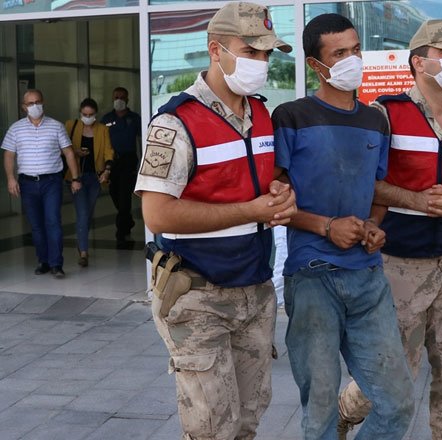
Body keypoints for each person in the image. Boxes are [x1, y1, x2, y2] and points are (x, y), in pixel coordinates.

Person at [134, 3, 295, 439]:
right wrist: (251, 210)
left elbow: (266, 176)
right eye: (251, 51)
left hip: (255, 290)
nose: (261, 63)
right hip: (196, 295)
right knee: (211, 428)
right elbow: (157, 212)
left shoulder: (260, 114)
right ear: (215, 49)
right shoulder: (175, 121)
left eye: (267, 55)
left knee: (247, 418)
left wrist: (281, 190)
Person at [336, 18, 442, 439]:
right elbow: (364, 181)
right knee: (391, 375)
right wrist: (416, 200)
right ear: (419, 63)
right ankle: (344, 412)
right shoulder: (385, 113)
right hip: (397, 266)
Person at [272, 13, 414, 439]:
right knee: (319, 412)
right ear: (316, 66)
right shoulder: (290, 117)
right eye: (340, 53)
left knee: (397, 404)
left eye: (356, 49)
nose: (353, 59)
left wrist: (372, 225)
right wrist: (325, 226)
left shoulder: (375, 120)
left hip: (368, 278)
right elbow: (271, 201)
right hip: (312, 277)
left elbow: (376, 189)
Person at [3, 89, 82, 279]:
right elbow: (9, 155)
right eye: (30, 103)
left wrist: (76, 178)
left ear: (43, 102)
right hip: (27, 183)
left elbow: (69, 152)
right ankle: (43, 261)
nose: (34, 106)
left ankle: (56, 264)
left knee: (53, 222)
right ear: (24, 107)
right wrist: (11, 178)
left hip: (51, 182)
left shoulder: (56, 126)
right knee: (37, 225)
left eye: (37, 102)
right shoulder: (16, 129)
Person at [65, 98, 115, 267]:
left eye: (90, 114)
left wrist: (107, 170)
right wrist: (76, 152)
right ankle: (84, 252)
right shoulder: (71, 126)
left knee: (88, 213)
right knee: (83, 212)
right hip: (76, 177)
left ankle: (82, 243)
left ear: (96, 114)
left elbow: (108, 151)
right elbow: (63, 148)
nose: (87, 117)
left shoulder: (102, 129)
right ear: (80, 113)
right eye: (84, 114)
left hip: (94, 177)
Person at [100, 86, 141, 247]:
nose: (119, 100)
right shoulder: (106, 118)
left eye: (122, 97)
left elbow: (141, 137)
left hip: (128, 160)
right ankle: (128, 220)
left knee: (124, 196)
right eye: (116, 97)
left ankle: (122, 232)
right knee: (114, 193)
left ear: (127, 99)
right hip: (111, 162)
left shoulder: (134, 118)